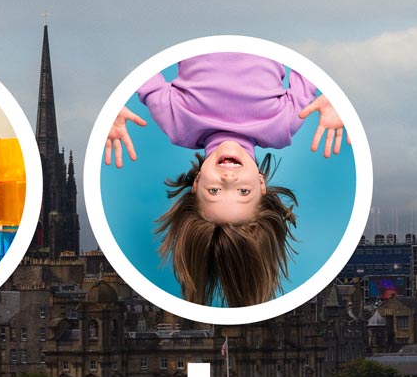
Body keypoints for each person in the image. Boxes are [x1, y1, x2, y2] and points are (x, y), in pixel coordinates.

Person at [102, 53, 345, 306]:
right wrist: (334, 99)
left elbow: (143, 76)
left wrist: (113, 107)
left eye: (215, 191)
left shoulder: (177, 125)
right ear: (261, 184)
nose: (229, 178)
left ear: (196, 184)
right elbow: (309, 68)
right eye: (242, 192)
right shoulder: (283, 126)